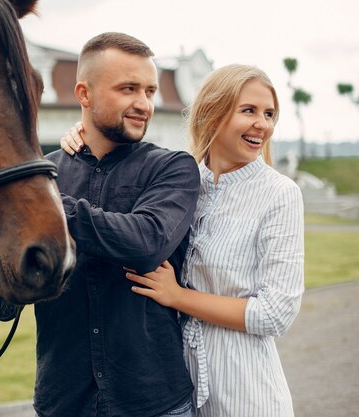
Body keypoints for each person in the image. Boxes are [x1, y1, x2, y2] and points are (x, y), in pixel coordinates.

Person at [61, 64, 305, 417]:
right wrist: (82, 137)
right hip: (178, 388)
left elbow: (275, 314)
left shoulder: (280, 194)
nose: (263, 124)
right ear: (213, 113)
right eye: (249, 111)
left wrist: (178, 296)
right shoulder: (183, 179)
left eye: (269, 114)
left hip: (246, 391)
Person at [0, 32, 200, 417]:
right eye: (128, 89)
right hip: (63, 401)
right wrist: (3, 256)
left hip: (153, 402)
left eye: (149, 91)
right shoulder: (41, 177)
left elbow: (146, 242)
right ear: (84, 94)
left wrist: (41, 206)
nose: (144, 104)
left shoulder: (173, 168)